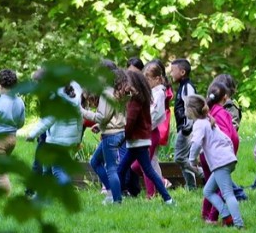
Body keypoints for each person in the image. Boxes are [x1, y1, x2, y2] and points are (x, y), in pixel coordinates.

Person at [185, 95, 244, 228]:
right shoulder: (208, 121)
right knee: (208, 191)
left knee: (228, 194)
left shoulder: (200, 124)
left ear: (191, 110)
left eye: (185, 108)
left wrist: (192, 160)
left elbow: (196, 143)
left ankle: (239, 224)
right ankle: (227, 216)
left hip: (221, 162)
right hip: (225, 160)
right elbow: (225, 139)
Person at [116, 69, 174, 204]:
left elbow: (130, 122)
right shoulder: (141, 98)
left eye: (126, 83)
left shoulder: (135, 101)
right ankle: (117, 197)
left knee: (146, 171)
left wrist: (121, 137)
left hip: (138, 142)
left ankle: (167, 198)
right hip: (137, 142)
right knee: (124, 170)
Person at [83, 64, 128, 204]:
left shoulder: (107, 94)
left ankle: (116, 200)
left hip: (111, 135)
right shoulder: (118, 92)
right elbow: (113, 115)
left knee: (111, 169)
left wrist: (83, 112)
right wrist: (100, 126)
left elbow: (102, 116)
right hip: (119, 131)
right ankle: (111, 192)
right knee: (95, 161)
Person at [26, 81, 83, 187]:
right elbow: (80, 120)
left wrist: (32, 134)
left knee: (57, 170)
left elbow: (48, 120)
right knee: (47, 169)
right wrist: (78, 139)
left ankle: (67, 189)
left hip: (57, 140)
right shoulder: (74, 97)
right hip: (69, 140)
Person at [0, 68, 25, 194]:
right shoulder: (19, 101)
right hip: (12, 139)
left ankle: (5, 197)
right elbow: (21, 122)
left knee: (0, 173)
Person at [170, 58, 197, 190]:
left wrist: (188, 126)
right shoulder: (182, 87)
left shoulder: (187, 87)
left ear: (182, 72)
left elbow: (190, 106)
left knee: (179, 158)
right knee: (183, 157)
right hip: (184, 127)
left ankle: (200, 173)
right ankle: (190, 186)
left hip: (187, 128)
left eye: (172, 71)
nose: (171, 74)